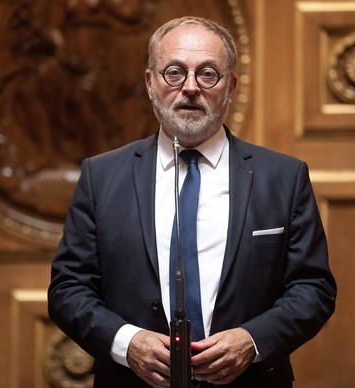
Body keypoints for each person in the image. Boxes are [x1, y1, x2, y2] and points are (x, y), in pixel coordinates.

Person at [48, 16, 337, 387]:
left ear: (230, 86)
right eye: (173, 72)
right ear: (150, 83)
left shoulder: (283, 177)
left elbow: (314, 288)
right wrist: (127, 342)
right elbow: (67, 289)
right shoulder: (100, 177)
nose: (189, 87)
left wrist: (252, 341)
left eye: (208, 74)